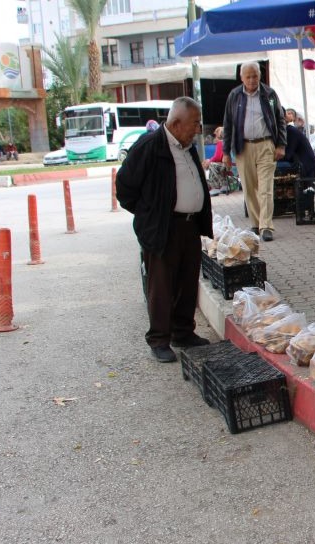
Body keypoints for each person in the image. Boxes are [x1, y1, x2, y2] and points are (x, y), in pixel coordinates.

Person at [116, 97, 213, 363]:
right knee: (161, 286)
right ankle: (159, 339)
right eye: (194, 123)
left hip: (189, 225)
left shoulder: (187, 146)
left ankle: (183, 332)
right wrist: (151, 214)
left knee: (186, 281)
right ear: (176, 122)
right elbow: (124, 189)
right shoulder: (149, 146)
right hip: (163, 227)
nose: (198, 128)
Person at [223, 62, 287, 242]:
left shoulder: (269, 94)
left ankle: (266, 226)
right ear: (242, 78)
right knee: (250, 188)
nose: (252, 80)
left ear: (260, 76)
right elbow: (228, 124)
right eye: (248, 76)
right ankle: (256, 222)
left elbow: (280, 120)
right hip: (243, 147)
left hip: (266, 145)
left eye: (255, 76)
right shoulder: (234, 95)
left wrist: (281, 145)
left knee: (265, 187)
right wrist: (226, 152)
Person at [202, 126, 230, 195]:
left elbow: (217, 157)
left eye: (216, 133)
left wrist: (209, 161)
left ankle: (215, 188)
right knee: (212, 164)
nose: (215, 135)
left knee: (211, 165)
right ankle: (224, 185)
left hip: (224, 165)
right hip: (228, 164)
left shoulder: (220, 143)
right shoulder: (226, 142)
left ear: (219, 134)